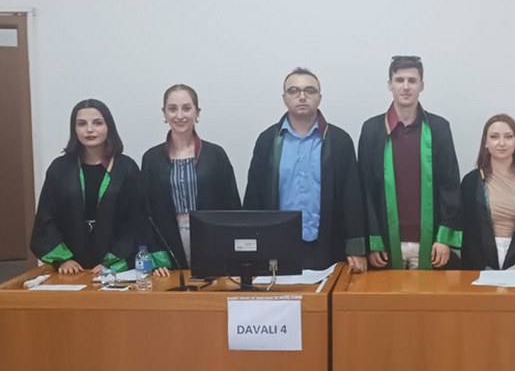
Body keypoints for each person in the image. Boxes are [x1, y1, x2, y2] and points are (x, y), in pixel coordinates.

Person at [243, 67, 367, 272]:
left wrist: (356, 248)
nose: (302, 97)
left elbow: (351, 197)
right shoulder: (267, 141)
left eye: (309, 91)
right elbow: (254, 196)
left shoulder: (339, 140)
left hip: (327, 244)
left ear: (319, 98)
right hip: (276, 246)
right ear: (284, 98)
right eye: (294, 91)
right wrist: (248, 247)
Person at [358, 55, 462, 270]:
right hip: (385, 245)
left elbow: (450, 185)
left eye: (412, 81)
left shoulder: (439, 128)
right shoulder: (372, 130)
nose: (406, 87)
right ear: (390, 84)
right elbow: (366, 190)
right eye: (399, 80)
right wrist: (373, 241)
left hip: (432, 245)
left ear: (422, 85)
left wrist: (444, 238)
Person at [30, 99, 143, 274]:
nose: (89, 129)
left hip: (115, 267)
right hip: (72, 267)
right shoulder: (60, 168)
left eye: (97, 123)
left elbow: (135, 220)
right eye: (82, 124)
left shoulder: (126, 168)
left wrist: (113, 262)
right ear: (74, 129)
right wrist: (64, 260)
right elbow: (47, 218)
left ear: (109, 127)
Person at [141, 84, 241, 271]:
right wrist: (155, 256)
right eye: (172, 109)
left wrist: (233, 250)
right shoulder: (151, 158)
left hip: (212, 239)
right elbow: (146, 212)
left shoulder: (215, 155)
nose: (180, 115)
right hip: (166, 241)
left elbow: (232, 206)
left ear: (197, 112)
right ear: (164, 114)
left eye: (186, 108)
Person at [460, 114, 515, 270]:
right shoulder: (471, 182)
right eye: (494, 137)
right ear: (485, 143)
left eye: (508, 137)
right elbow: (468, 235)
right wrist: (484, 269)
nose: (501, 143)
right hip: (480, 266)